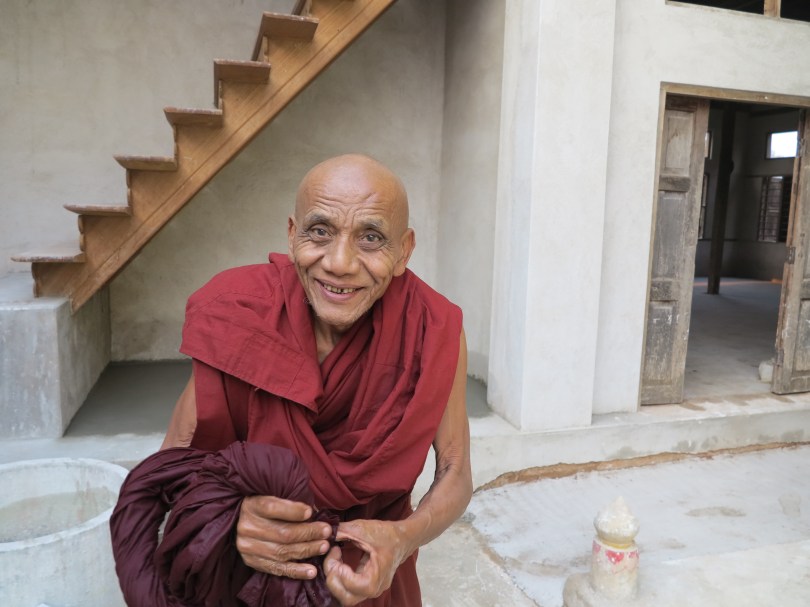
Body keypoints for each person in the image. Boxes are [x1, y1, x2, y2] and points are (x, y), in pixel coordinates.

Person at [160, 154, 472, 606]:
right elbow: (173, 466)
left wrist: (402, 539)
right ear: (292, 236)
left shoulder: (432, 327)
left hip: (368, 572)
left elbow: (455, 469)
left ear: (404, 251)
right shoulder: (240, 315)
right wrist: (229, 519)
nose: (340, 263)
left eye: (371, 238)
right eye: (320, 231)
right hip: (248, 570)